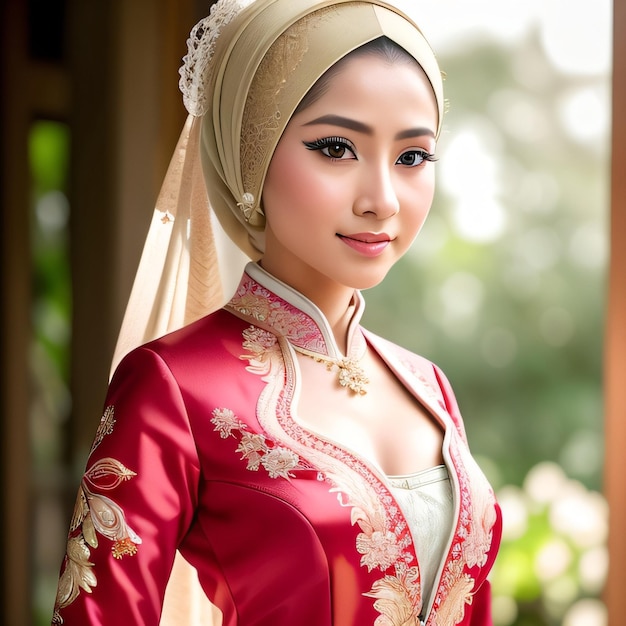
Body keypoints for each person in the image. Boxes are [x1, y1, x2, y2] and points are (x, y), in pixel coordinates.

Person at [52, 0, 502, 624]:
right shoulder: (172, 386)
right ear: (251, 158)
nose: (382, 200)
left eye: (412, 156)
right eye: (337, 147)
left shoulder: (427, 387)